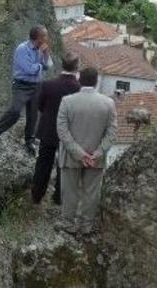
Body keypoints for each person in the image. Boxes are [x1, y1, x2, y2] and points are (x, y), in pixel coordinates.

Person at [56, 67, 116, 235]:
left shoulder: (67, 101)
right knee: (91, 193)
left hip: (70, 156)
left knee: (70, 192)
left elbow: (62, 130)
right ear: (96, 82)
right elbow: (111, 133)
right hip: (96, 158)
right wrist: (97, 153)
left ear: (80, 80)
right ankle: (86, 225)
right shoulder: (108, 103)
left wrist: (78, 153)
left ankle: (68, 223)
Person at [0, 25, 54, 155]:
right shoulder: (22, 49)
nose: (47, 38)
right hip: (22, 85)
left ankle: (29, 141)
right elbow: (29, 69)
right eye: (45, 35)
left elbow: (49, 65)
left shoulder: (42, 49)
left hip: (36, 86)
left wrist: (45, 54)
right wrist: (41, 65)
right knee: (15, 111)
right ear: (38, 37)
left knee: (33, 115)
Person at [31, 53, 81, 205]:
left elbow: (40, 105)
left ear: (62, 65)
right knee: (64, 164)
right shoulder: (78, 89)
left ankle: (37, 195)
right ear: (77, 67)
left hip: (48, 129)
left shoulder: (48, 85)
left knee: (43, 163)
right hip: (69, 132)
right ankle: (59, 197)